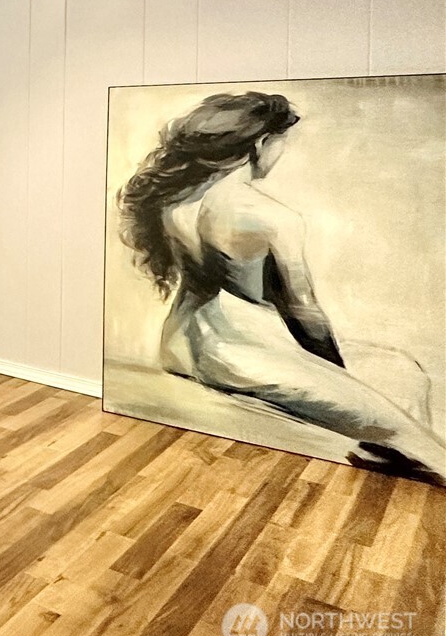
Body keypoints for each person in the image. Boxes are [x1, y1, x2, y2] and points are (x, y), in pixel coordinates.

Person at [118, 91, 446, 483]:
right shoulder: (268, 216)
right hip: (243, 354)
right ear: (260, 143)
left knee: (401, 371)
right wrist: (338, 374)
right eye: (279, 145)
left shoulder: (173, 203)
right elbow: (303, 312)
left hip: (182, 344)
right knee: (411, 436)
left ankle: (380, 475)